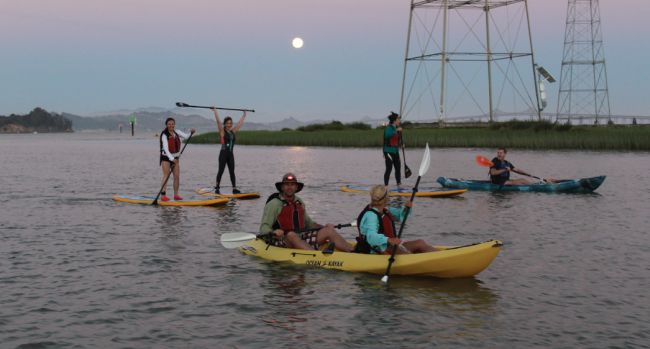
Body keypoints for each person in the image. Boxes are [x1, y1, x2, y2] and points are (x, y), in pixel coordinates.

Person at [260, 173, 354, 252]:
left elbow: (309, 224)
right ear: (282, 187)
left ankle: (355, 252)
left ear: (296, 187)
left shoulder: (299, 202)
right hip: (282, 240)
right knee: (291, 234)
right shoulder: (274, 204)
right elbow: (263, 228)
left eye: (292, 185)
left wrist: (324, 227)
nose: (289, 187)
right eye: (287, 184)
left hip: (302, 238)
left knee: (329, 230)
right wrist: (273, 232)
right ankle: (316, 257)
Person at [355, 185, 437, 254]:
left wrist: (406, 208)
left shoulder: (385, 210)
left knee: (420, 243)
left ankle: (442, 256)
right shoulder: (371, 216)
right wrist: (389, 240)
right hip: (377, 251)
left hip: (390, 247)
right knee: (404, 253)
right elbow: (371, 237)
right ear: (385, 199)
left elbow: (400, 215)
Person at [159, 117, 195, 201]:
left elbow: (186, 136)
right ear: (166, 125)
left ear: (174, 124)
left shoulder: (177, 132)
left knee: (177, 176)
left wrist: (191, 132)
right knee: (166, 175)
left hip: (175, 157)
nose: (171, 125)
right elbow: (166, 149)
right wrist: (172, 159)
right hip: (166, 157)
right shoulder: (164, 135)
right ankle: (163, 196)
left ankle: (176, 195)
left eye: (172, 124)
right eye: (169, 124)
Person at [212, 107, 247, 194]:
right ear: (224, 124)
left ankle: (234, 188)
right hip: (223, 154)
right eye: (227, 123)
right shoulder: (222, 131)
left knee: (232, 171)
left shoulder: (233, 131)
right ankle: (217, 186)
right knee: (221, 170)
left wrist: (244, 115)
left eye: (230, 123)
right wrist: (215, 111)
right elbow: (218, 122)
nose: (229, 125)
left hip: (230, 154)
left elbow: (239, 124)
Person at [383, 112, 402, 186]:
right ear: (394, 120)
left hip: (395, 151)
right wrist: (396, 131)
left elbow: (396, 140)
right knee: (389, 169)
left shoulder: (396, 129)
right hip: (388, 152)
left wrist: (401, 144)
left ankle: (399, 184)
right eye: (398, 119)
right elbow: (388, 135)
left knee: (398, 168)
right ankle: (386, 186)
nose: (399, 121)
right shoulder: (388, 128)